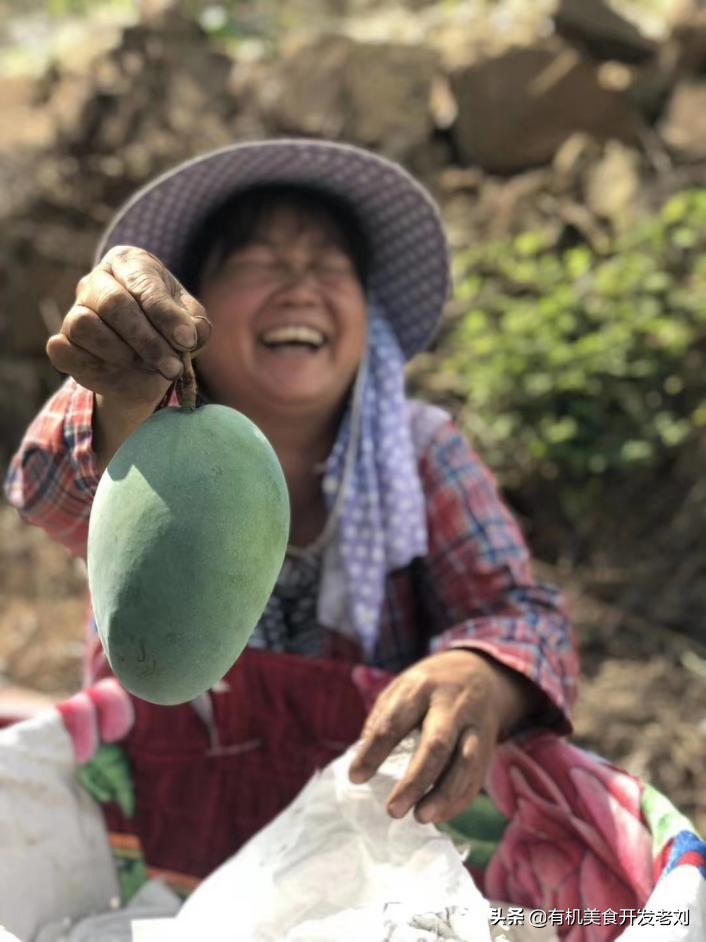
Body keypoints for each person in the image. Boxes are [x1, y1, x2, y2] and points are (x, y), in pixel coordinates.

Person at [4, 139, 578, 881]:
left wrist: (483, 675)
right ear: (193, 315)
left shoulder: (422, 453)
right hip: (161, 841)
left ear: (370, 320)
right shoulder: (136, 437)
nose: (300, 285)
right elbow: (45, 487)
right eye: (258, 260)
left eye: (328, 265)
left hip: (366, 849)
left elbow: (524, 613)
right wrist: (122, 394)